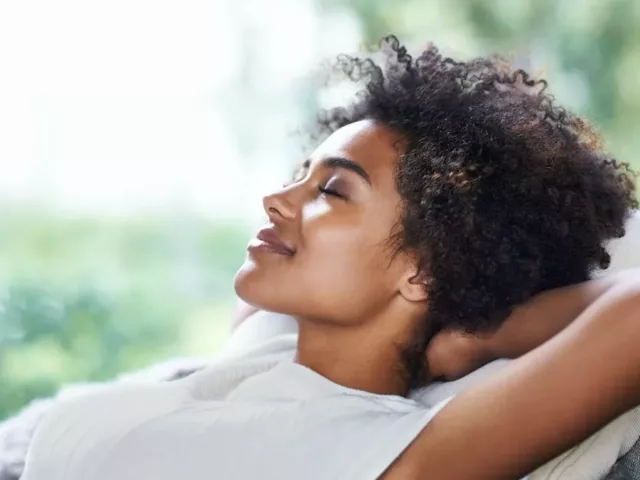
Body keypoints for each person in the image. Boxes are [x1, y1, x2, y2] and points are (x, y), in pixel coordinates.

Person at [21, 36, 640, 479]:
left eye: (332, 190)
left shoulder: (384, 452)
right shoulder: (265, 345)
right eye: (300, 174)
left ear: (421, 272)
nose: (275, 200)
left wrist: (477, 339)